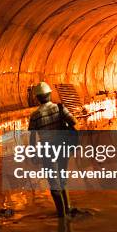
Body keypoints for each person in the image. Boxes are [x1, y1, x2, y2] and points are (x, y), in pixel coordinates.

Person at [28, 81, 77, 217]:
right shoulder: (60, 108)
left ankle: (62, 216)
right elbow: (74, 122)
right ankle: (68, 209)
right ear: (50, 94)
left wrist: (33, 155)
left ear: (37, 98)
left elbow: (32, 138)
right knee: (62, 179)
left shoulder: (35, 116)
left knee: (54, 183)